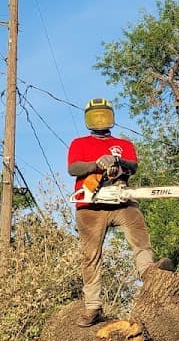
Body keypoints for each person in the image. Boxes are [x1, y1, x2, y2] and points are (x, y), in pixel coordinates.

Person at [67, 98, 170, 327]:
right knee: (90, 255)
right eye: (96, 116)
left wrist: (117, 160)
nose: (100, 120)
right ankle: (92, 306)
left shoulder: (123, 144)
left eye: (103, 115)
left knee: (139, 234)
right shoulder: (79, 143)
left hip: (121, 198)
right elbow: (73, 168)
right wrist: (96, 164)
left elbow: (133, 166)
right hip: (91, 205)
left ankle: (149, 273)